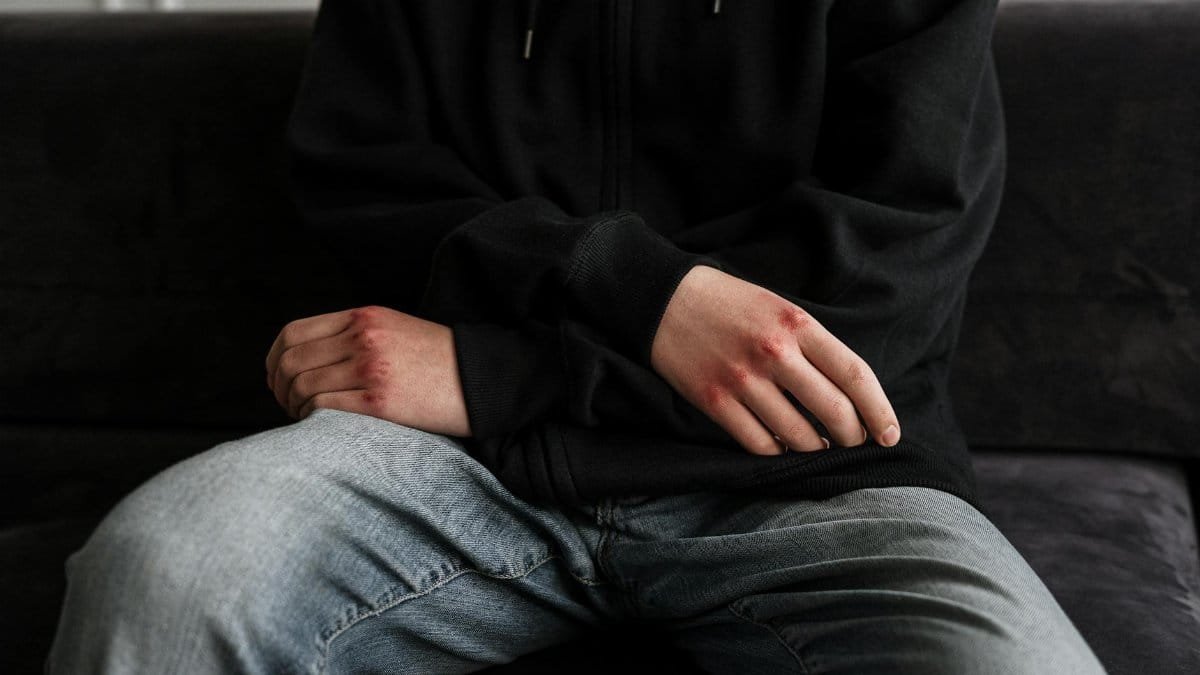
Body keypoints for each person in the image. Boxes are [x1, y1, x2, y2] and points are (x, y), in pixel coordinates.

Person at [46, 0, 1108, 672]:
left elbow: (877, 296)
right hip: (458, 464)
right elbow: (365, 187)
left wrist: (497, 373)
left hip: (811, 478)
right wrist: (643, 293)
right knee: (166, 570)